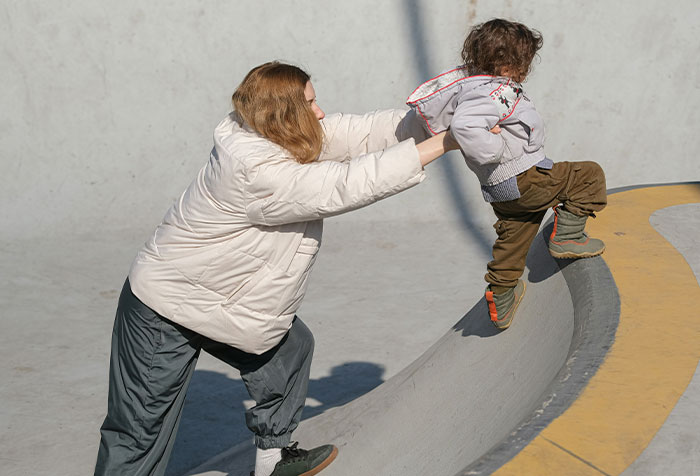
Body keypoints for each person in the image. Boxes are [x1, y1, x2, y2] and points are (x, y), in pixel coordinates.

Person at [94, 61, 458, 476]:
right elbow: (344, 185)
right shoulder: (254, 170)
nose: (319, 112)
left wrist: (436, 117)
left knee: (289, 350)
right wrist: (445, 143)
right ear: (284, 114)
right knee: (139, 431)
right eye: (310, 103)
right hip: (164, 307)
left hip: (217, 298)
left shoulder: (272, 132)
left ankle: (272, 462)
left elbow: (356, 133)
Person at [406, 18, 607, 330]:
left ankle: (502, 296)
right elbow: (465, 127)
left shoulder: (474, 87)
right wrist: (494, 150)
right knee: (588, 176)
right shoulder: (494, 92)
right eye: (523, 63)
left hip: (501, 190)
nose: (526, 71)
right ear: (506, 64)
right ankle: (567, 234)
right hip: (526, 178)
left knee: (515, 236)